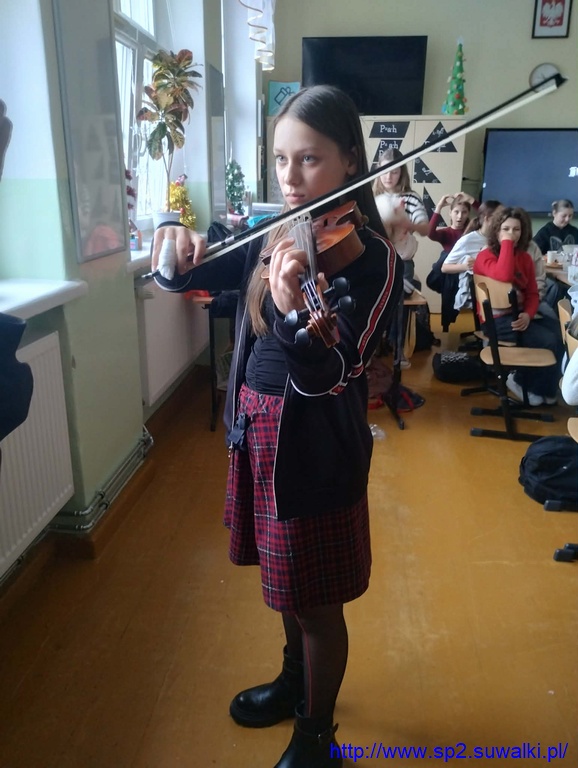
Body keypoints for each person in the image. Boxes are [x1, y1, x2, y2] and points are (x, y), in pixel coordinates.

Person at [150, 85, 403, 768]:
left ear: (350, 160)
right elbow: (196, 271)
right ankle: (295, 683)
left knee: (317, 604)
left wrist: (294, 314)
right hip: (258, 433)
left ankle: (317, 736)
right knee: (287, 587)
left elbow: (336, 372)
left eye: (309, 159)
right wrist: (172, 249)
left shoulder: (373, 259)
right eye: (281, 159)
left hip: (315, 449)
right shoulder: (276, 232)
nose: (290, 177)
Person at [473, 206, 564, 406]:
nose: (511, 234)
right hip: (495, 321)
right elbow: (504, 275)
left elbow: (532, 293)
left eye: (516, 230)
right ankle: (519, 381)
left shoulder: (525, 258)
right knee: (547, 341)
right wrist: (506, 243)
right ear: (496, 230)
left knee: (560, 335)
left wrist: (528, 315)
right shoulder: (485, 255)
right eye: (505, 229)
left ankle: (544, 388)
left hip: (519, 314)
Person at [372, 147, 429, 283]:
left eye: (394, 172)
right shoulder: (372, 198)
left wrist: (407, 224)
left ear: (401, 173)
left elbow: (425, 229)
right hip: (377, 260)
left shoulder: (411, 198)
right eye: (384, 171)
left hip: (401, 261)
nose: (388, 177)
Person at [441, 200, 502, 313]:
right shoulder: (468, 240)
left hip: (498, 288)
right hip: (484, 294)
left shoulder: (501, 238)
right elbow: (444, 267)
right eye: (500, 217)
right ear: (488, 219)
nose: (504, 221)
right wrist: (465, 266)